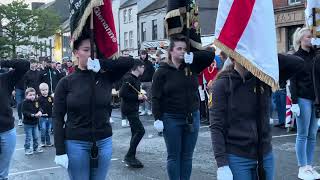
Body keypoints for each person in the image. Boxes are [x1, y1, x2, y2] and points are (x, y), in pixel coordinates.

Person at [210, 54, 304, 180]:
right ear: (232, 57)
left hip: (265, 154)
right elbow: (216, 126)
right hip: (237, 156)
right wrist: (222, 165)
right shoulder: (222, 84)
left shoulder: (263, 78)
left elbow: (297, 63)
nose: (246, 56)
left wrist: (263, 52)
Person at [53, 34, 133, 180]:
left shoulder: (106, 77)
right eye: (86, 49)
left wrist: (102, 63)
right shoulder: (66, 82)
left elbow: (128, 62)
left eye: (94, 50)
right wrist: (60, 150)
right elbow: (57, 118)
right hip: (76, 142)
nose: (91, 54)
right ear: (76, 53)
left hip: (103, 140)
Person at [152, 35, 214, 180]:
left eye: (185, 49)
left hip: (192, 116)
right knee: (174, 156)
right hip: (171, 118)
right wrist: (157, 118)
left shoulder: (192, 65)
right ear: (171, 51)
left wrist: (193, 55)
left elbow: (210, 54)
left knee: (187, 156)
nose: (182, 52)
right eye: (179, 49)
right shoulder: (162, 71)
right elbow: (155, 97)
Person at [290, 27, 320, 180]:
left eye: (312, 37)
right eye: (308, 37)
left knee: (312, 134)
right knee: (303, 133)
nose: (310, 39)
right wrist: (294, 102)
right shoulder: (296, 57)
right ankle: (302, 166)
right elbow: (293, 82)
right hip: (302, 98)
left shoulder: (317, 56)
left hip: (316, 99)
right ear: (300, 39)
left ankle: (309, 165)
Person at [0, 59, 29, 179]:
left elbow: (25, 65)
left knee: (3, 173)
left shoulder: (4, 79)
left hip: (7, 130)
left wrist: (2, 62)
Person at [119, 59, 147, 168]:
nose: (144, 69)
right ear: (138, 67)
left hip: (132, 107)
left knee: (135, 131)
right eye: (143, 67)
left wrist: (141, 98)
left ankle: (132, 156)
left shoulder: (135, 79)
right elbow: (122, 93)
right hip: (129, 109)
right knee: (140, 131)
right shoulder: (128, 78)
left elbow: (133, 94)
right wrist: (137, 97)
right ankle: (129, 156)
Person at [22, 87, 44, 155]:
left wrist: (40, 111)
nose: (32, 96)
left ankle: (36, 147)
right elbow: (24, 112)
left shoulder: (36, 101)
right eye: (30, 95)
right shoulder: (24, 103)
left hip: (35, 123)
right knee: (28, 137)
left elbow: (40, 108)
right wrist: (33, 115)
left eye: (33, 95)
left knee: (36, 136)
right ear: (26, 95)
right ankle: (27, 149)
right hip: (28, 124)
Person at [139, 50, 155, 116]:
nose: (143, 56)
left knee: (148, 96)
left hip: (148, 82)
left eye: (144, 54)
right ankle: (142, 110)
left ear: (146, 55)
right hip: (140, 82)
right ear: (140, 55)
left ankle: (148, 110)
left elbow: (153, 72)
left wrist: (152, 80)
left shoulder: (149, 63)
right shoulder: (138, 63)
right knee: (141, 97)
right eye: (142, 54)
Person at [38, 83, 54, 147]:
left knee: (48, 130)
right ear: (40, 91)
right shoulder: (39, 98)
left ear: (48, 89)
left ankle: (48, 142)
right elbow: (37, 107)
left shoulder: (50, 97)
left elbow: (54, 104)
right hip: (42, 117)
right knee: (43, 129)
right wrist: (40, 112)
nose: (45, 91)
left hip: (50, 116)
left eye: (46, 90)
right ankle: (42, 142)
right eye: (43, 90)